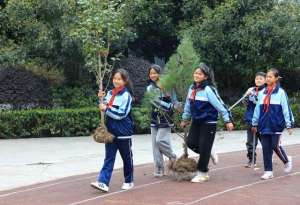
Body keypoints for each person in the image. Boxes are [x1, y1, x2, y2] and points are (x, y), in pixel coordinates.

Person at [180, 63, 234, 183]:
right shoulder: (192, 88)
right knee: (190, 143)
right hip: (196, 121)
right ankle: (210, 150)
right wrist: (184, 118)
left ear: (205, 77)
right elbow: (188, 105)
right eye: (195, 73)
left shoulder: (209, 89)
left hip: (208, 122)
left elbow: (220, 105)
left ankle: (202, 173)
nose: (196, 75)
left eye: (199, 74)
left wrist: (227, 120)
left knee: (204, 147)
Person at [91, 69, 134, 192]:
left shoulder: (127, 96)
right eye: (115, 78)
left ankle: (129, 180)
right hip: (110, 132)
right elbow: (103, 105)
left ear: (125, 81)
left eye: (119, 79)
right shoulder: (109, 93)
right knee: (109, 157)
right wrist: (100, 99)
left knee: (127, 158)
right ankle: (103, 182)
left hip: (123, 132)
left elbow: (121, 114)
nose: (116, 81)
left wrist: (106, 109)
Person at [252, 68, 294, 180]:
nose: (268, 78)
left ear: (276, 78)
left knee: (275, 145)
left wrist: (289, 124)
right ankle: (268, 171)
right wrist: (254, 123)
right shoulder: (262, 93)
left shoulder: (281, 92)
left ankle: (286, 160)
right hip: (263, 124)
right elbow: (257, 109)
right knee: (265, 148)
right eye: (267, 77)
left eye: (270, 77)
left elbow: (286, 109)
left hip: (276, 124)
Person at [146, 64, 179, 177]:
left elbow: (175, 101)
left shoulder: (168, 86)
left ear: (160, 74)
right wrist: (170, 106)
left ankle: (172, 156)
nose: (153, 75)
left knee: (160, 141)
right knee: (155, 145)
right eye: (151, 73)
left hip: (166, 118)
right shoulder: (150, 88)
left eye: (155, 73)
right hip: (154, 117)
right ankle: (159, 168)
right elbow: (154, 101)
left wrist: (177, 105)